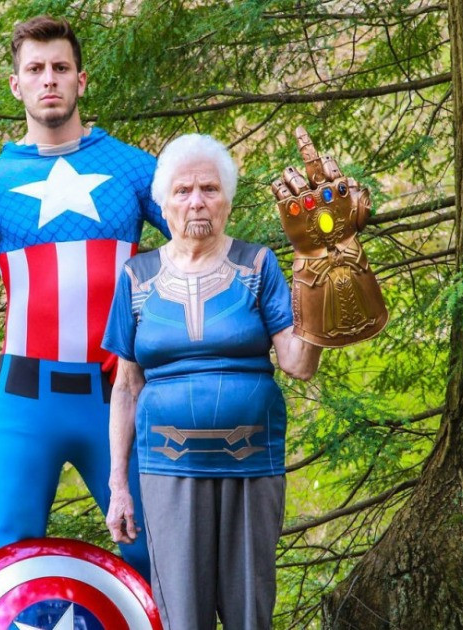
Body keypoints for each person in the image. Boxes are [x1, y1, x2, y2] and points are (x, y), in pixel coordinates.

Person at [0, 16, 166, 577]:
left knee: (151, 552)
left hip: (116, 395)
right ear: (16, 84)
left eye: (59, 67)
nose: (48, 78)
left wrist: (146, 340)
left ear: (81, 80)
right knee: (13, 558)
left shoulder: (131, 166)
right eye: (35, 69)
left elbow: (195, 255)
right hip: (25, 399)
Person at [104, 133, 324, 629]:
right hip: (167, 467)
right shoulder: (136, 277)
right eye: (183, 191)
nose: (196, 201)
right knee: (183, 614)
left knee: (250, 611)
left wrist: (318, 276)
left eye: (209, 188)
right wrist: (119, 486)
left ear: (227, 198)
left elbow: (299, 363)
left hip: (252, 464)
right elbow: (125, 388)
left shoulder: (258, 264)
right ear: (164, 203)